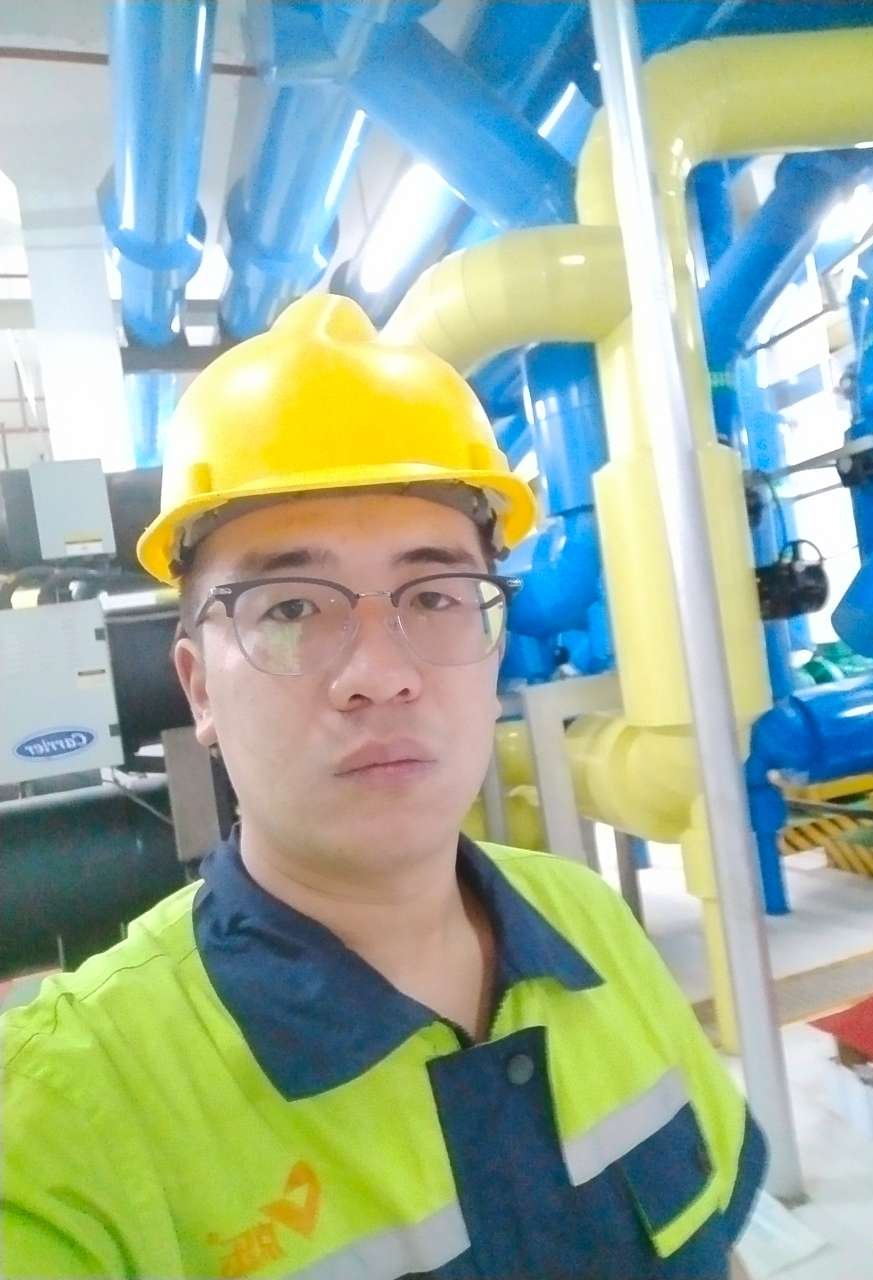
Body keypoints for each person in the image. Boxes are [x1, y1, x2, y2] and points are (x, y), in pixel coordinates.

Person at [1, 295, 765, 1279]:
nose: (380, 672)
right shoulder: (67, 1120)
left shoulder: (588, 921)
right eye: (289, 607)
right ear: (198, 687)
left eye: (435, 595)